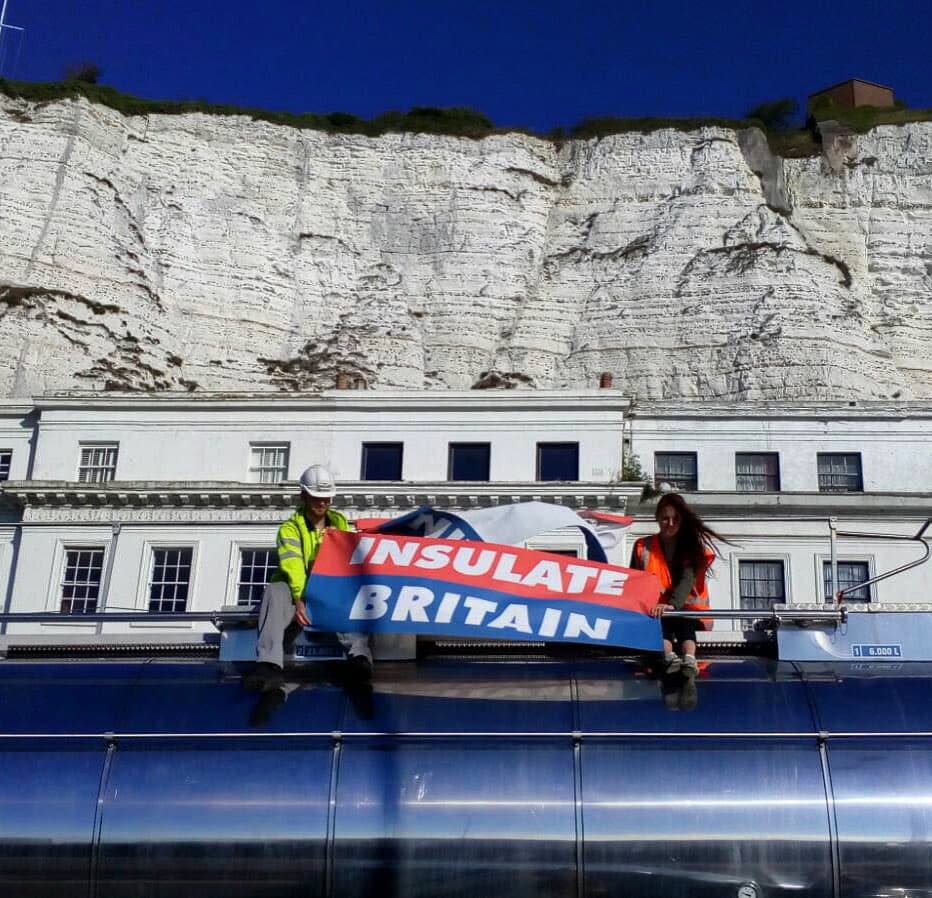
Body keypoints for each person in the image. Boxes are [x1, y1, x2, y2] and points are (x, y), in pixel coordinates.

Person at [248, 464, 372, 691]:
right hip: (293, 594)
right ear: (303, 495)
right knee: (274, 590)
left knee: (349, 594)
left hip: (328, 590)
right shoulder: (289, 529)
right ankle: (268, 665)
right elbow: (293, 565)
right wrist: (299, 597)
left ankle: (359, 659)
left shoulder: (341, 525)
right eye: (316, 497)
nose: (322, 503)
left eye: (327, 498)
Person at [630, 492, 725, 681]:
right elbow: (634, 580)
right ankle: (671, 659)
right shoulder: (643, 546)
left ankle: (689, 660)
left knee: (684, 626)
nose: (670, 524)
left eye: (675, 519)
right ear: (657, 518)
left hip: (687, 610)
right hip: (655, 612)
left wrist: (671, 605)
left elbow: (687, 580)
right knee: (660, 628)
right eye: (665, 519)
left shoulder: (691, 546)